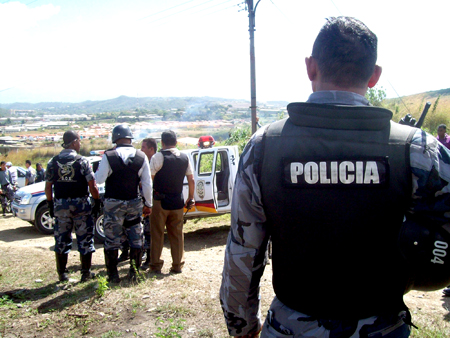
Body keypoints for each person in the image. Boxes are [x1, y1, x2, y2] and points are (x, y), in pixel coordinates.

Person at [220, 17, 450, 338]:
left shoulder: (264, 146)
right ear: (374, 75)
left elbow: (243, 250)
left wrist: (242, 325)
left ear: (310, 68)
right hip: (382, 327)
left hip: (291, 327)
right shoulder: (418, 149)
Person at [95, 124, 153, 283]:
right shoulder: (141, 157)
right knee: (136, 237)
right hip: (134, 202)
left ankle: (113, 275)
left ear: (115, 138)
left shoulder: (109, 156)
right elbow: (147, 184)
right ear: (130, 138)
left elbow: (99, 179)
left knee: (112, 239)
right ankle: (134, 273)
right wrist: (149, 204)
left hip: (113, 204)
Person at [45, 130, 101, 282]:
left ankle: (62, 273)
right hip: (81, 206)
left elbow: (48, 186)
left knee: (61, 238)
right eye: (79, 141)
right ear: (74, 142)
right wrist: (96, 201)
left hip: (61, 205)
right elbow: (92, 185)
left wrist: (50, 204)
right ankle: (85, 273)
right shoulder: (82, 161)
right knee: (84, 238)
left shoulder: (53, 162)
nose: (80, 143)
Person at [149, 130, 195, 274]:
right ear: (176, 142)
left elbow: (150, 179)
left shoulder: (158, 157)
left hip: (159, 201)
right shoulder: (184, 157)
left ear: (162, 142)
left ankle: (156, 265)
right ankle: (177, 265)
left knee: (157, 233)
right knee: (177, 233)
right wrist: (190, 198)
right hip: (177, 200)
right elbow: (191, 179)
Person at [139, 137, 158, 271]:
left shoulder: (156, 162)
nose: (141, 150)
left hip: (153, 202)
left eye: (143, 147)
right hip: (144, 202)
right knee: (145, 231)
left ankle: (150, 259)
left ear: (151, 149)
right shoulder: (143, 162)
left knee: (149, 231)